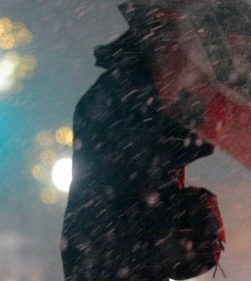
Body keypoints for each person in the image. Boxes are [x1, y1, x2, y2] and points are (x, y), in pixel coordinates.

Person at [61, 29, 225, 280]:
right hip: (121, 243)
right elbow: (146, 158)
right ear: (159, 53)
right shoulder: (136, 92)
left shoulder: (116, 89)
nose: (186, 66)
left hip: (102, 241)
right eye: (179, 55)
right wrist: (197, 122)